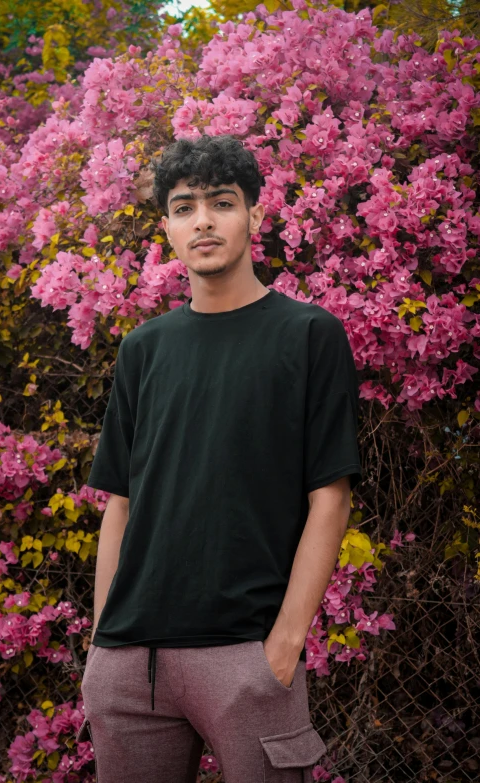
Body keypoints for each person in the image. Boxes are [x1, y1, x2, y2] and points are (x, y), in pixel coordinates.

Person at [78, 134, 363, 782]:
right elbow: (119, 502)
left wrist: (284, 647)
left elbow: (331, 498)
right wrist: (102, 644)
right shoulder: (143, 349)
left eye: (221, 202)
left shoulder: (309, 336)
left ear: (256, 214)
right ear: (167, 227)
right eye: (184, 207)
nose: (202, 220)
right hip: (129, 669)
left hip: (246, 656)